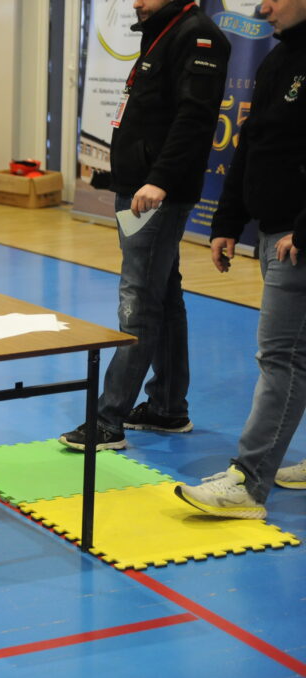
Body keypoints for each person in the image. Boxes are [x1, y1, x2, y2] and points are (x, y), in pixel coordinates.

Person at [59, 0, 230, 450]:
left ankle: (108, 419)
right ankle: (167, 408)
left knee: (138, 300)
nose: (136, 1)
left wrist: (158, 180)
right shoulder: (162, 31)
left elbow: (193, 121)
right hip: (137, 187)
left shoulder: (198, 35)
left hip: (155, 194)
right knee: (163, 294)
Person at [174, 0, 306, 519]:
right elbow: (251, 144)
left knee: (282, 358)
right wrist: (227, 223)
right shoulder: (278, 58)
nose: (261, 6)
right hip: (274, 232)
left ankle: (249, 485)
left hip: (296, 238)